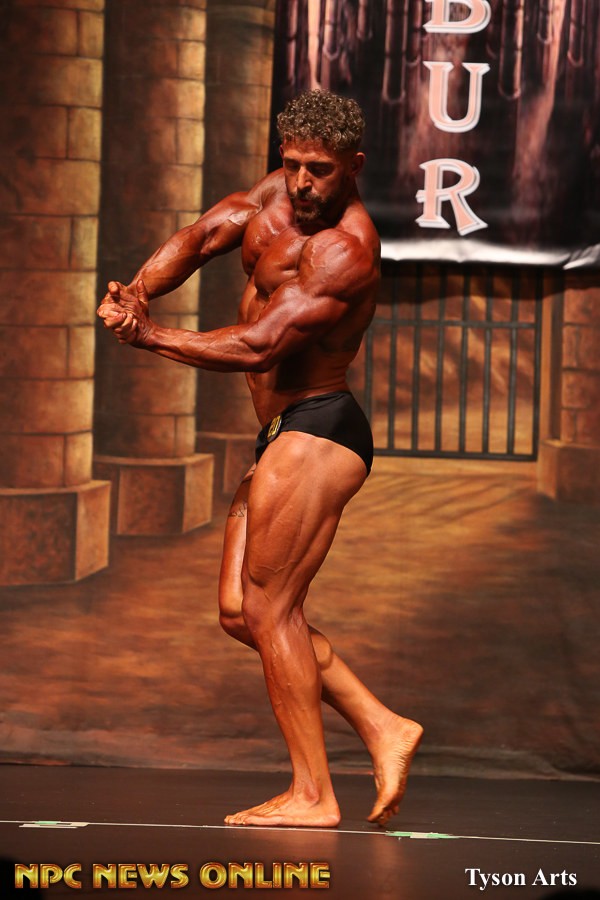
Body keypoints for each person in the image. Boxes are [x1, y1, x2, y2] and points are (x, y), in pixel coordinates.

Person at [98, 89, 422, 828]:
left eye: (321, 170)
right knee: (241, 612)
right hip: (280, 431)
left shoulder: (346, 249)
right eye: (294, 165)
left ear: (353, 167)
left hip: (319, 428)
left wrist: (150, 336)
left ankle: (313, 795)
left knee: (273, 608)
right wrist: (138, 292)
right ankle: (382, 725)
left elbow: (261, 345)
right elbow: (202, 235)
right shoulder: (278, 195)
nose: (303, 183)